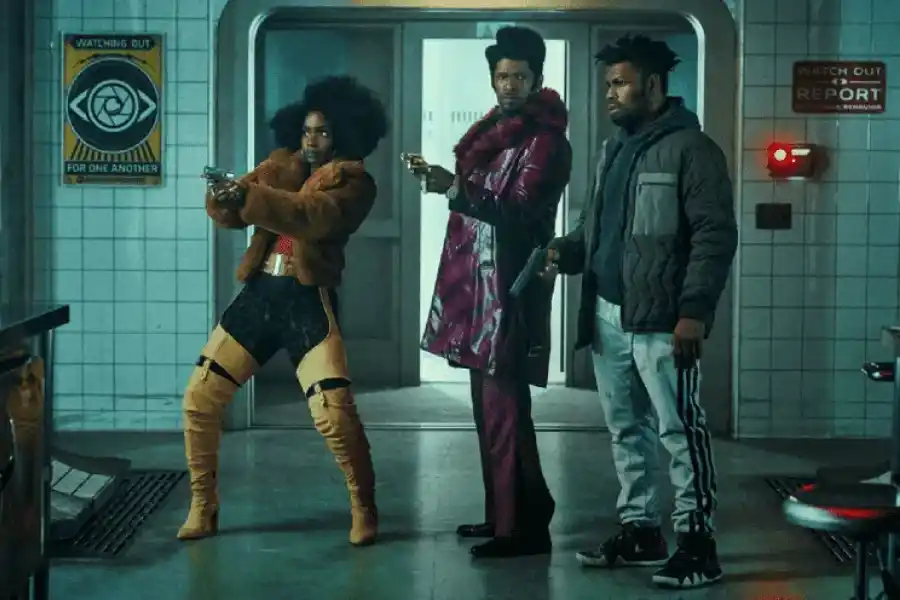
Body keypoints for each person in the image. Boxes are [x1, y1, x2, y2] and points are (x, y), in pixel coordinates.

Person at [545, 35, 737, 588]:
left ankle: (698, 545)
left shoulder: (693, 150)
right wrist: (568, 250)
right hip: (608, 315)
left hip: (662, 320)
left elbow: (714, 236)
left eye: (620, 83)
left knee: (680, 430)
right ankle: (642, 531)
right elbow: (595, 225)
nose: (610, 93)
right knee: (626, 430)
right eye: (608, 84)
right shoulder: (614, 149)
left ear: (652, 86)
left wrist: (694, 311)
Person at [176, 75, 389, 547]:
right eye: (307, 131)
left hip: (307, 298)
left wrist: (250, 197)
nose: (311, 141)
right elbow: (235, 211)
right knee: (200, 398)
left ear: (345, 134)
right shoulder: (279, 166)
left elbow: (312, 216)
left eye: (323, 132)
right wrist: (225, 197)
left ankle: (364, 506)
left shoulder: (355, 181)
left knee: (333, 414)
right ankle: (203, 505)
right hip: (261, 294)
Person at [409, 26, 572, 559]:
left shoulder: (545, 141)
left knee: (505, 408)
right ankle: (507, 514)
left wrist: (453, 186)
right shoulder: (495, 133)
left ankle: (521, 527)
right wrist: (454, 185)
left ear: (537, 80)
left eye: (520, 76)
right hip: (479, 284)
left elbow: (519, 212)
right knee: (489, 407)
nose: (509, 85)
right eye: (502, 76)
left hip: (509, 285)